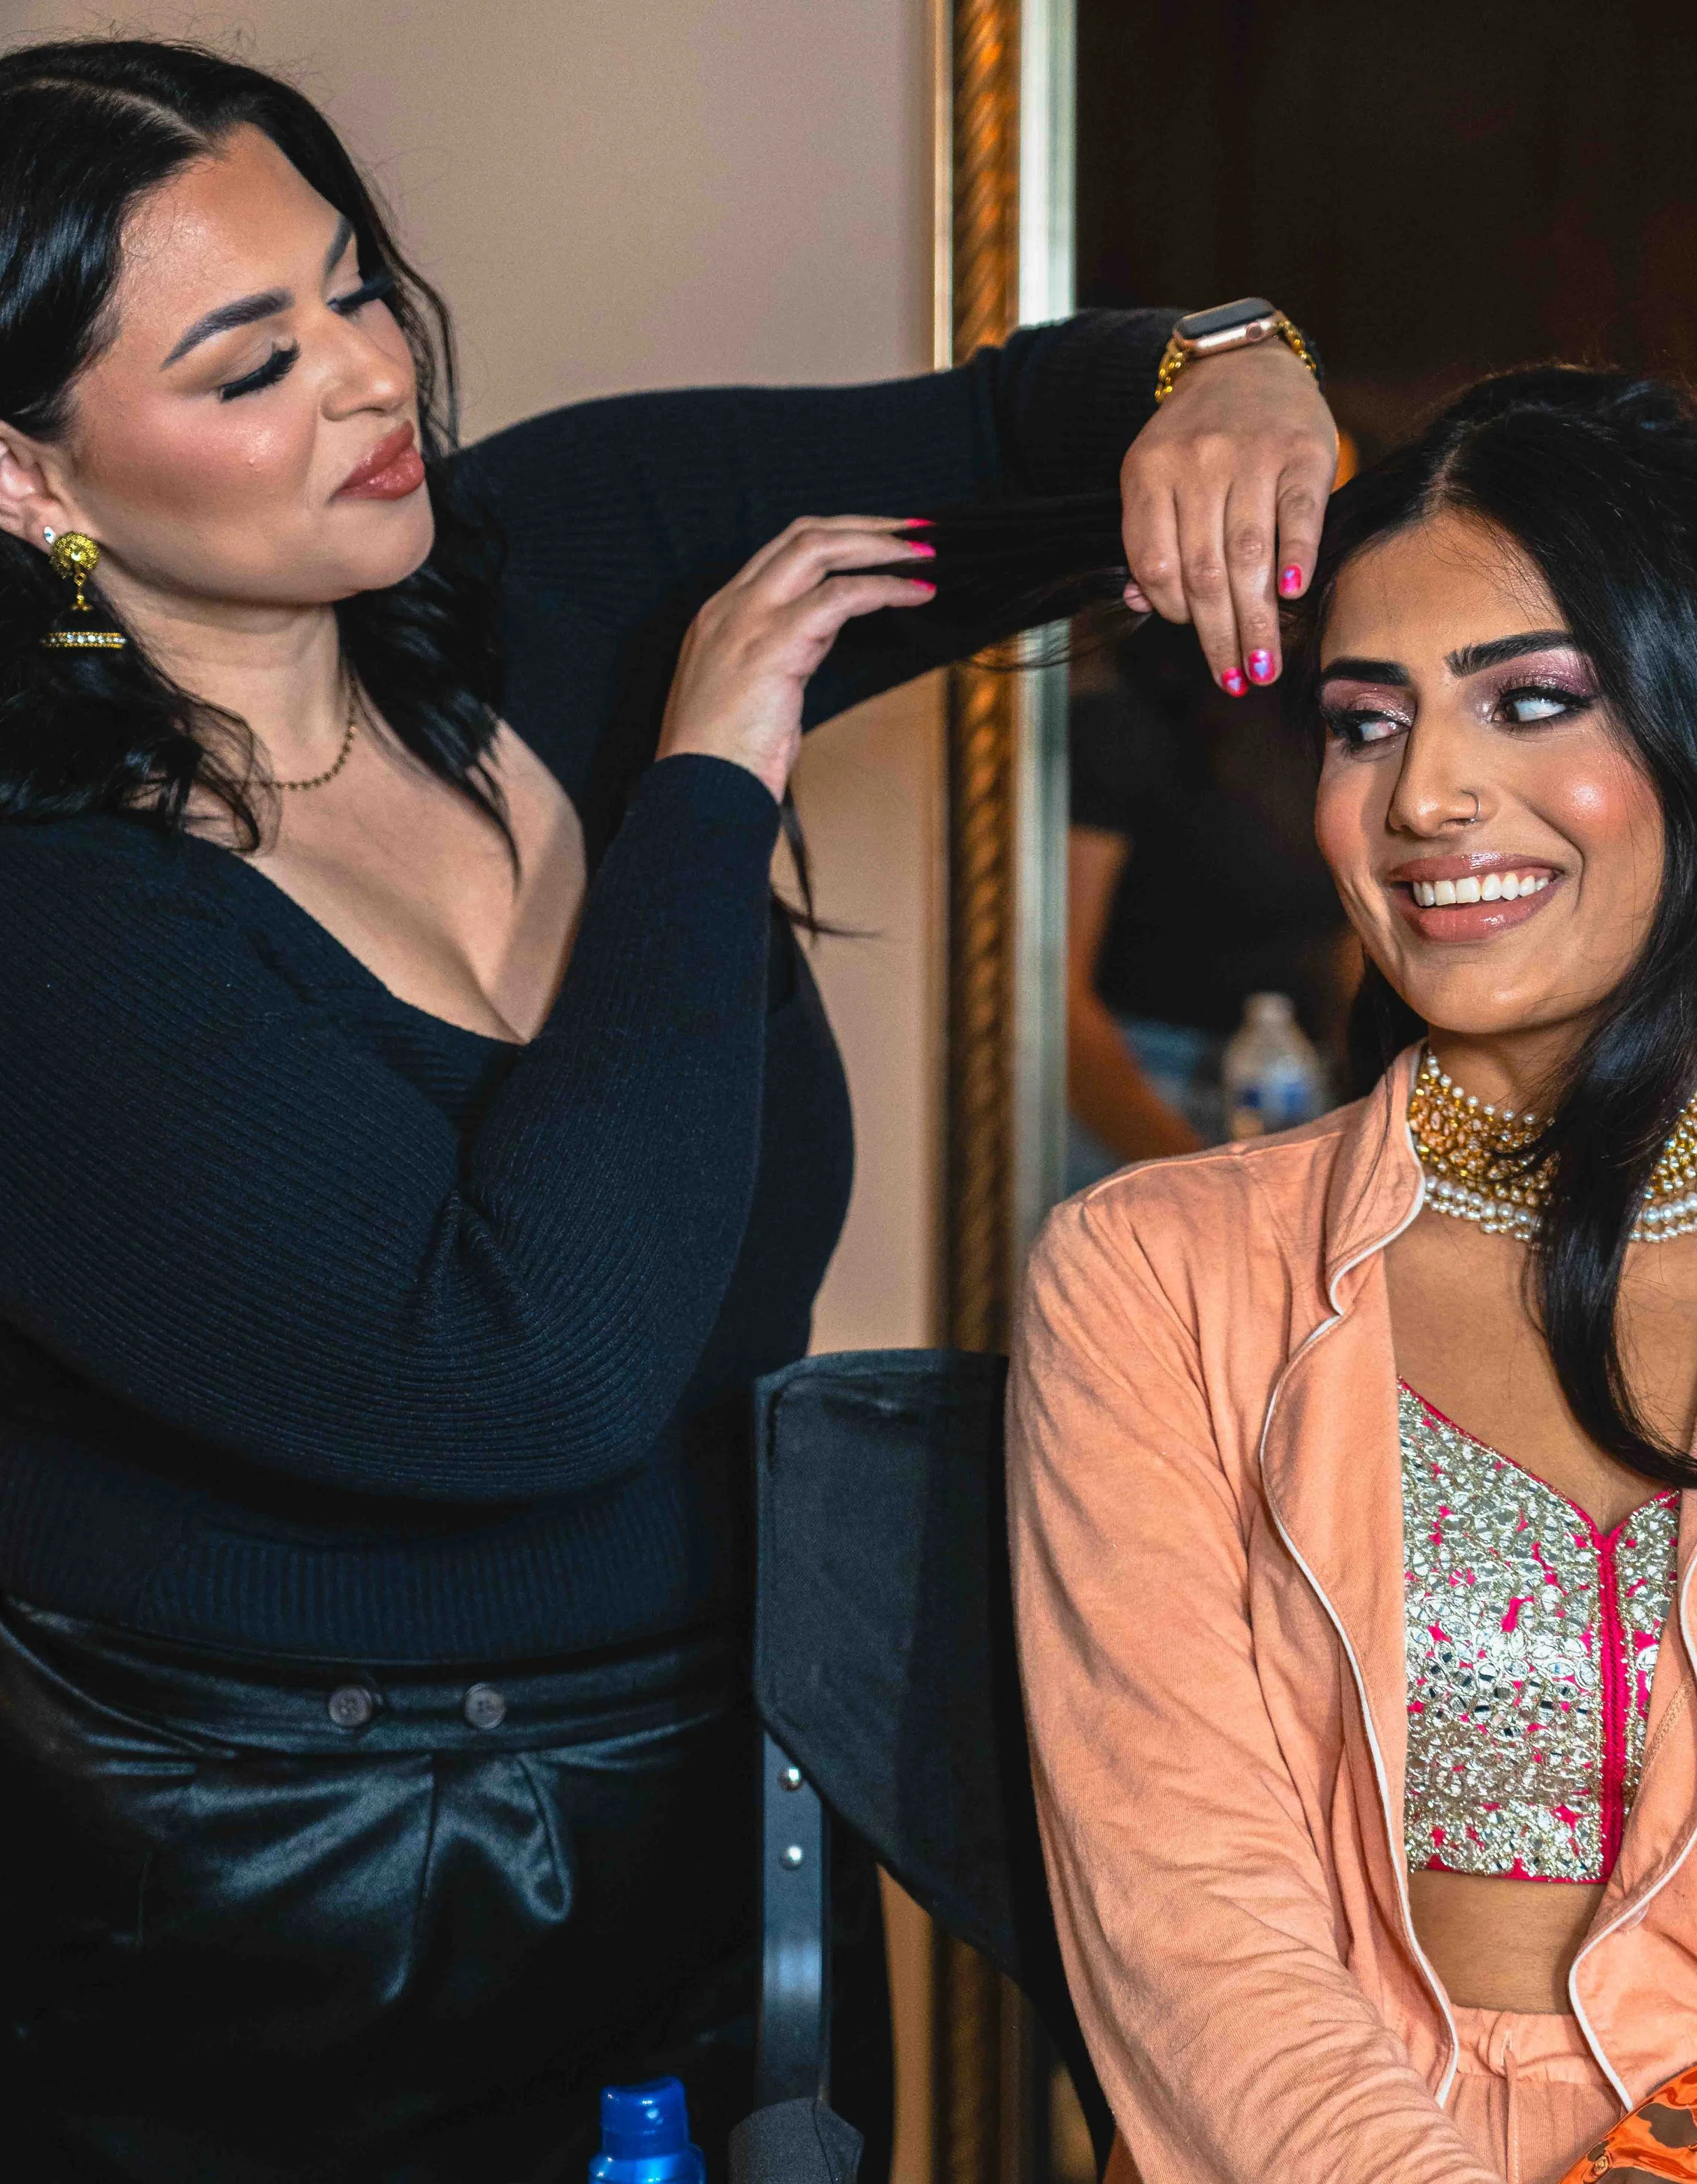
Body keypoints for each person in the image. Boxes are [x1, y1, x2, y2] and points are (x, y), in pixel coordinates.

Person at [0, 35, 1338, 2183]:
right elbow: (530, 1373)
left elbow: (1035, 433)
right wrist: (709, 781)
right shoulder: (51, 915)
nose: (368, 382)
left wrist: (1229, 370)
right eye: (252, 363)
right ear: (29, 480)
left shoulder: (562, 561)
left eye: (355, 288)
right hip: (256, 1939)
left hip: (731, 1815)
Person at [1010, 365, 1697, 2184]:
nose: (1427, 791)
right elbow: (1195, 1940)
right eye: (1362, 722)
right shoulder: (1152, 1276)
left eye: (1529, 701)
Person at [1064, 614, 1353, 1178]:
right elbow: (1053, 997)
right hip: (1141, 1094)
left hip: (1297, 1089)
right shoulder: (1120, 727)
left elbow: (1346, 948)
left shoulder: (1327, 732)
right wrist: (1198, 1173)